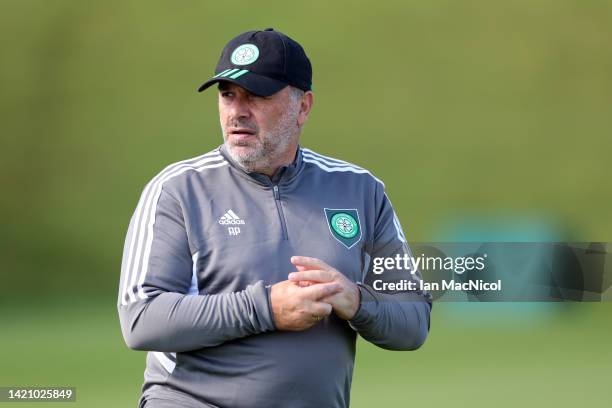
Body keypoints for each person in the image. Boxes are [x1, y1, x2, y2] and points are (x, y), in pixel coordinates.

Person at [117, 28, 432, 408]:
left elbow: (412, 320)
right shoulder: (178, 189)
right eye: (227, 95)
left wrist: (356, 301)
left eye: (258, 95)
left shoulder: (360, 190)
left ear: (303, 106)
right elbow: (140, 319)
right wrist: (266, 309)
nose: (237, 111)